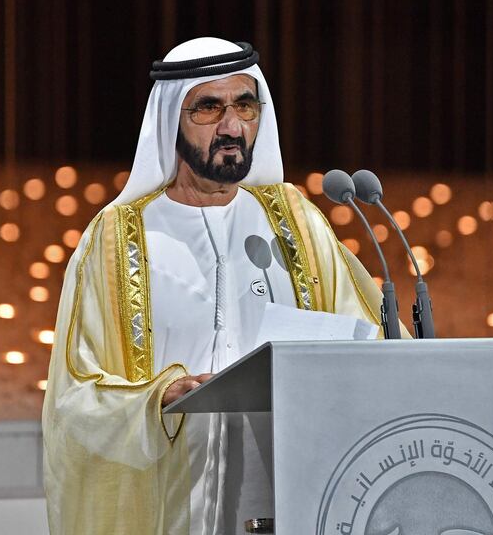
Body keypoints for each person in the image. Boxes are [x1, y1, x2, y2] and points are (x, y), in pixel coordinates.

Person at [42, 37, 397, 535]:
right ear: (171, 118)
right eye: (209, 108)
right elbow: (74, 396)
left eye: (245, 105)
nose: (232, 127)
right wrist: (156, 397)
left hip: (293, 491)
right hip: (173, 504)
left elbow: (371, 344)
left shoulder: (295, 222)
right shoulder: (116, 240)